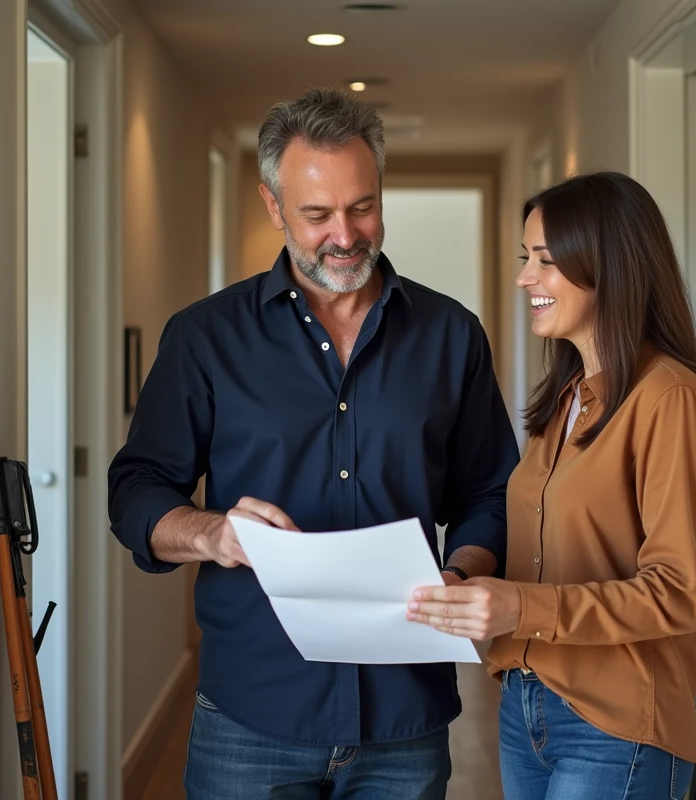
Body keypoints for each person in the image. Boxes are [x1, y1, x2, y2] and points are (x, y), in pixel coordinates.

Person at [106, 87, 520, 800]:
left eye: (362, 207)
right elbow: (136, 490)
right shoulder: (204, 337)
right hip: (251, 719)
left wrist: (463, 571)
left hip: (405, 721)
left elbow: (489, 492)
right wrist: (212, 533)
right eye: (317, 214)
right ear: (274, 205)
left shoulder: (453, 335)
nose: (346, 234)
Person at [407, 171, 696, 799]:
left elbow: (679, 593)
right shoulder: (566, 400)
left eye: (546, 261)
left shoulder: (671, 401)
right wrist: (470, 583)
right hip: (527, 705)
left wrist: (519, 607)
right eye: (527, 258)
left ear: (607, 267)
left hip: (616, 727)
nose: (526, 277)